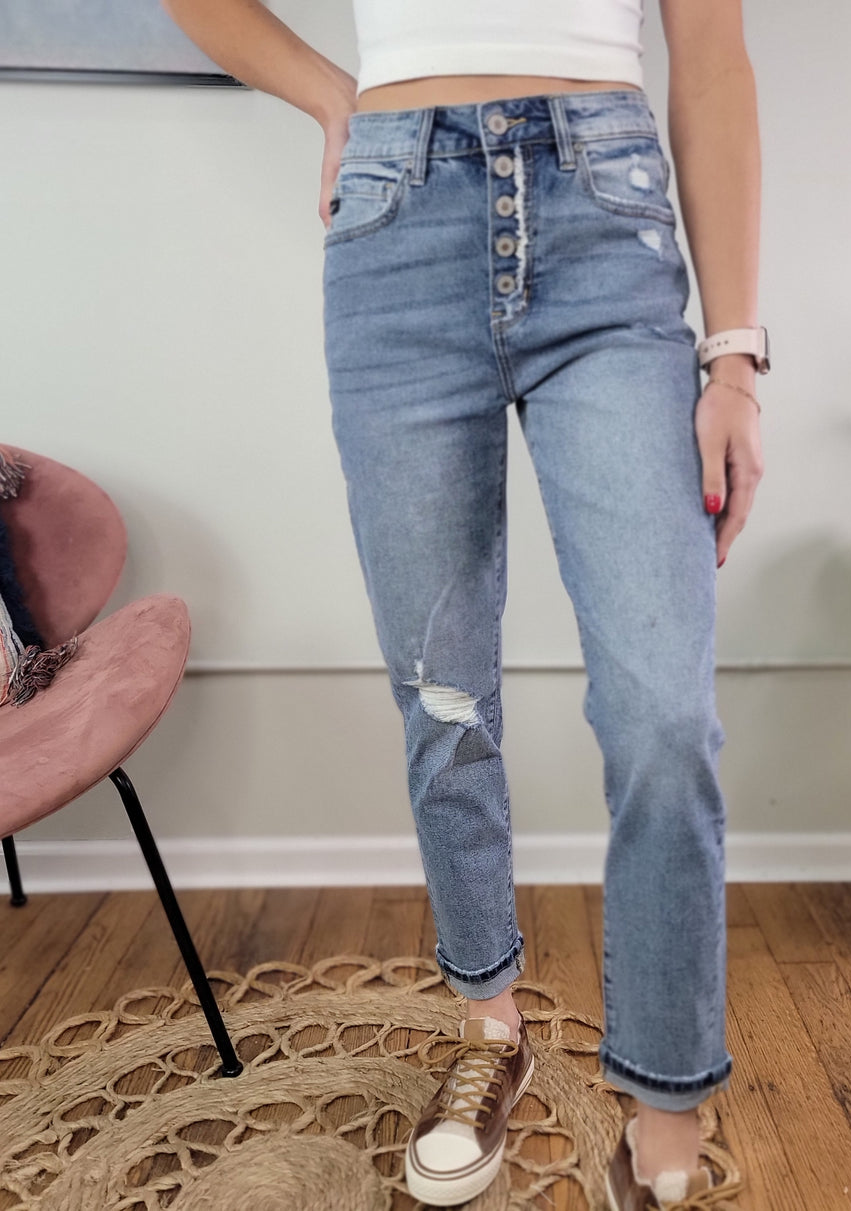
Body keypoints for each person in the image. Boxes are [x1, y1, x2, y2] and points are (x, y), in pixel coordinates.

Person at [162, 0, 765, 1206]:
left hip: (607, 219)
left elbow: (709, 51)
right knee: (445, 691)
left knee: (661, 710)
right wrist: (332, 97)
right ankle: (491, 1028)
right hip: (397, 225)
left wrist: (736, 352)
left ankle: (665, 1108)